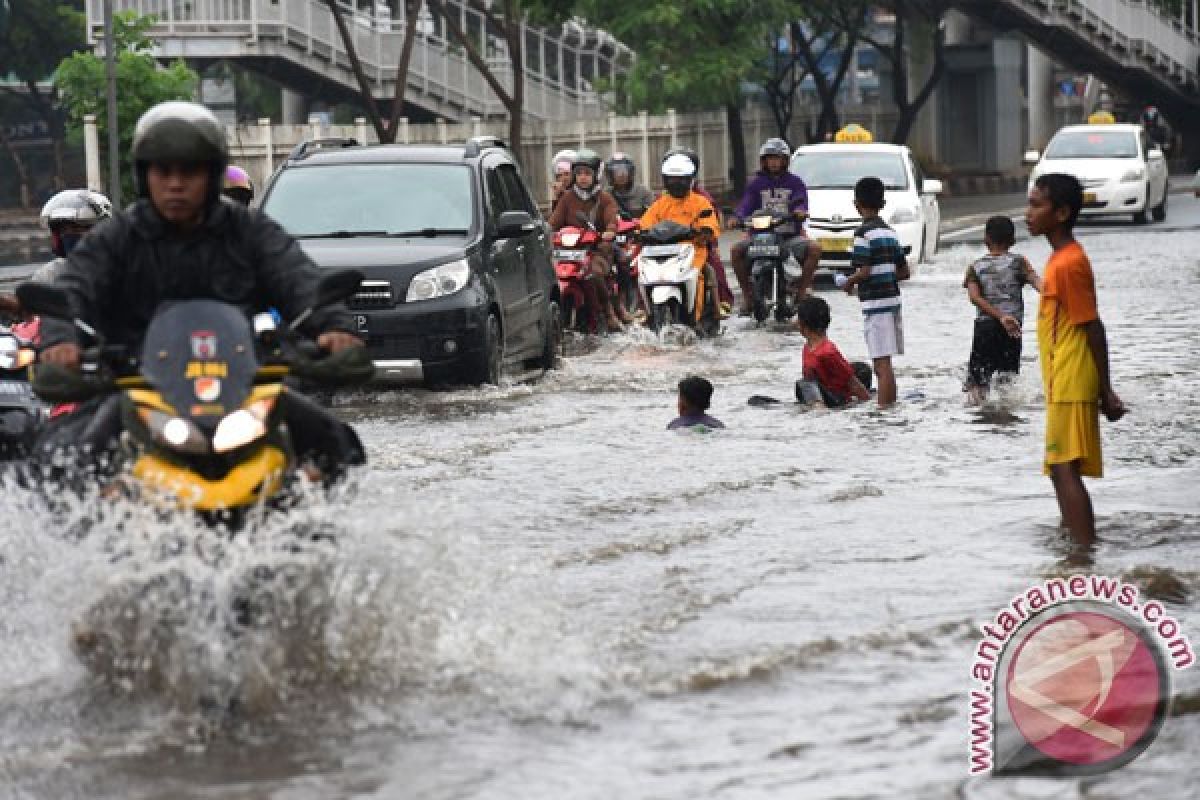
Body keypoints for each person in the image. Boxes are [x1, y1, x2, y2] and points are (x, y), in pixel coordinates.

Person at [37, 101, 366, 479]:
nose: (176, 183)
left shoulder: (249, 231)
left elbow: (300, 279)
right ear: (145, 176)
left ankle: (308, 526)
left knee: (338, 445)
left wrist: (335, 328)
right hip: (141, 387)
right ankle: (93, 530)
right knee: (67, 461)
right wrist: (60, 342)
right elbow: (73, 288)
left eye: (190, 171)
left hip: (242, 386)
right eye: (164, 170)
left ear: (211, 175)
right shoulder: (118, 237)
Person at [1026, 172, 1126, 545]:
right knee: (1059, 468)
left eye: (1037, 205)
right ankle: (1076, 549)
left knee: (1064, 468)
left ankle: (1083, 556)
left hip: (1072, 377)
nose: (1029, 212)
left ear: (1063, 212)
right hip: (1062, 379)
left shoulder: (1070, 263)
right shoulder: (1058, 260)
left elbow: (1093, 327)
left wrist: (1106, 390)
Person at [730, 138, 822, 316]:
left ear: (785, 160)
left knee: (815, 249)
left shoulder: (795, 182)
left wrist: (800, 211)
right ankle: (748, 297)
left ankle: (801, 292)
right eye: (769, 158)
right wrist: (736, 218)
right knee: (735, 251)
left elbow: (800, 201)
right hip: (758, 237)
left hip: (788, 237)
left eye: (777, 158)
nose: (773, 162)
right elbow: (745, 205)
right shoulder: (755, 183)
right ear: (763, 161)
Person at [841, 176, 908, 408]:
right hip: (893, 302)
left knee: (881, 365)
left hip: (876, 305)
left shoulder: (863, 233)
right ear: (883, 203)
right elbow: (904, 272)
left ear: (856, 203)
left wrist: (849, 282)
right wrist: (886, 274)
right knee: (886, 363)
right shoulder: (890, 233)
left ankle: (884, 410)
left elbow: (865, 270)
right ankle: (890, 406)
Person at [547, 148, 631, 330]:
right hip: (568, 252)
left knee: (593, 272)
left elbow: (611, 219)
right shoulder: (567, 198)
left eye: (587, 173)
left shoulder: (605, 198)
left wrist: (609, 232)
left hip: (597, 251)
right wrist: (546, 231)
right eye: (578, 173)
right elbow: (553, 222)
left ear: (596, 175)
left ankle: (609, 311)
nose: (582, 177)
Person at [962, 216, 1043, 405]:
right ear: (1013, 241)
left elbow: (974, 298)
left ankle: (981, 423)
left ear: (985, 239)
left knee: (977, 385)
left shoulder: (975, 267)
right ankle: (1006, 422)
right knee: (1008, 383)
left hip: (985, 330)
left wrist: (999, 316)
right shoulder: (1019, 262)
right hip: (1012, 329)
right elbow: (1039, 284)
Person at [640, 153, 722, 327]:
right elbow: (645, 224)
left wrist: (704, 230)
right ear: (665, 180)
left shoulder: (700, 202)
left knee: (698, 276)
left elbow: (710, 224)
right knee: (641, 274)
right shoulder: (660, 204)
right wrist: (640, 233)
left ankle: (696, 319)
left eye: (681, 179)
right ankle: (644, 312)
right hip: (662, 252)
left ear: (690, 180)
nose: (676, 183)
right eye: (672, 179)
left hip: (692, 252)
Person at [664, 145, 735, 312]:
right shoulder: (662, 199)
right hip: (667, 247)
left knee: (713, 265)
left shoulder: (703, 198)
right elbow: (650, 219)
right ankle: (642, 308)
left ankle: (722, 301)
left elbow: (712, 220)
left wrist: (705, 233)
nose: (676, 179)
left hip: (696, 245)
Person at [794, 296, 870, 408]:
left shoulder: (827, 352)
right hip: (817, 395)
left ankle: (819, 409)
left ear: (803, 324)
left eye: (798, 318)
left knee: (805, 384)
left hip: (835, 401)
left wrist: (868, 403)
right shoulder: (808, 347)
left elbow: (853, 383)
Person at [33, 189, 114, 284]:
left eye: (77, 228)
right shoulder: (49, 274)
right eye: (63, 230)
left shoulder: (123, 270)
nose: (69, 235)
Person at [605, 152, 656, 219]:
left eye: (624, 171)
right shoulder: (606, 194)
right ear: (610, 175)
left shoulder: (643, 192)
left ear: (631, 172)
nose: (621, 175)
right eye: (616, 171)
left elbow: (654, 215)